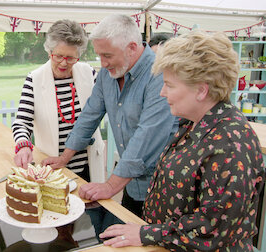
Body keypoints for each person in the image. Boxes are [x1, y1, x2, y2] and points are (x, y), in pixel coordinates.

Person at [98, 31, 265, 251]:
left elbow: (212, 228)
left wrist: (147, 233)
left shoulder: (230, 144)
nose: (162, 93)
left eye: (170, 85)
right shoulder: (193, 123)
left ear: (201, 90)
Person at [42, 14, 176, 219]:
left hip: (164, 189)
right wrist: (64, 158)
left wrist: (110, 185)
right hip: (131, 186)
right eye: (99, 56)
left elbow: (147, 135)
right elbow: (89, 115)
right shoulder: (108, 73)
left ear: (132, 47)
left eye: (108, 55)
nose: (102, 63)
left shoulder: (159, 73)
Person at [12, 19, 105, 183]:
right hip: (52, 167)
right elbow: (21, 123)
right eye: (59, 56)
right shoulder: (34, 79)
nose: (64, 63)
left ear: (79, 55)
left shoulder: (89, 73)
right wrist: (23, 145)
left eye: (70, 58)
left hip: (87, 166)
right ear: (49, 51)